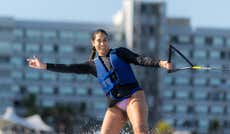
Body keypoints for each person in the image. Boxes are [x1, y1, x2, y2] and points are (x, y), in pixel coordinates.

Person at [27, 29, 172, 134]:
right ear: (93, 43)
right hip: (115, 106)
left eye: (105, 40)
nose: (102, 43)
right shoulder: (92, 65)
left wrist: (161, 63)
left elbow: (140, 59)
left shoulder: (120, 53)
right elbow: (69, 68)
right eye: (99, 40)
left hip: (133, 96)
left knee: (140, 130)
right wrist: (44, 66)